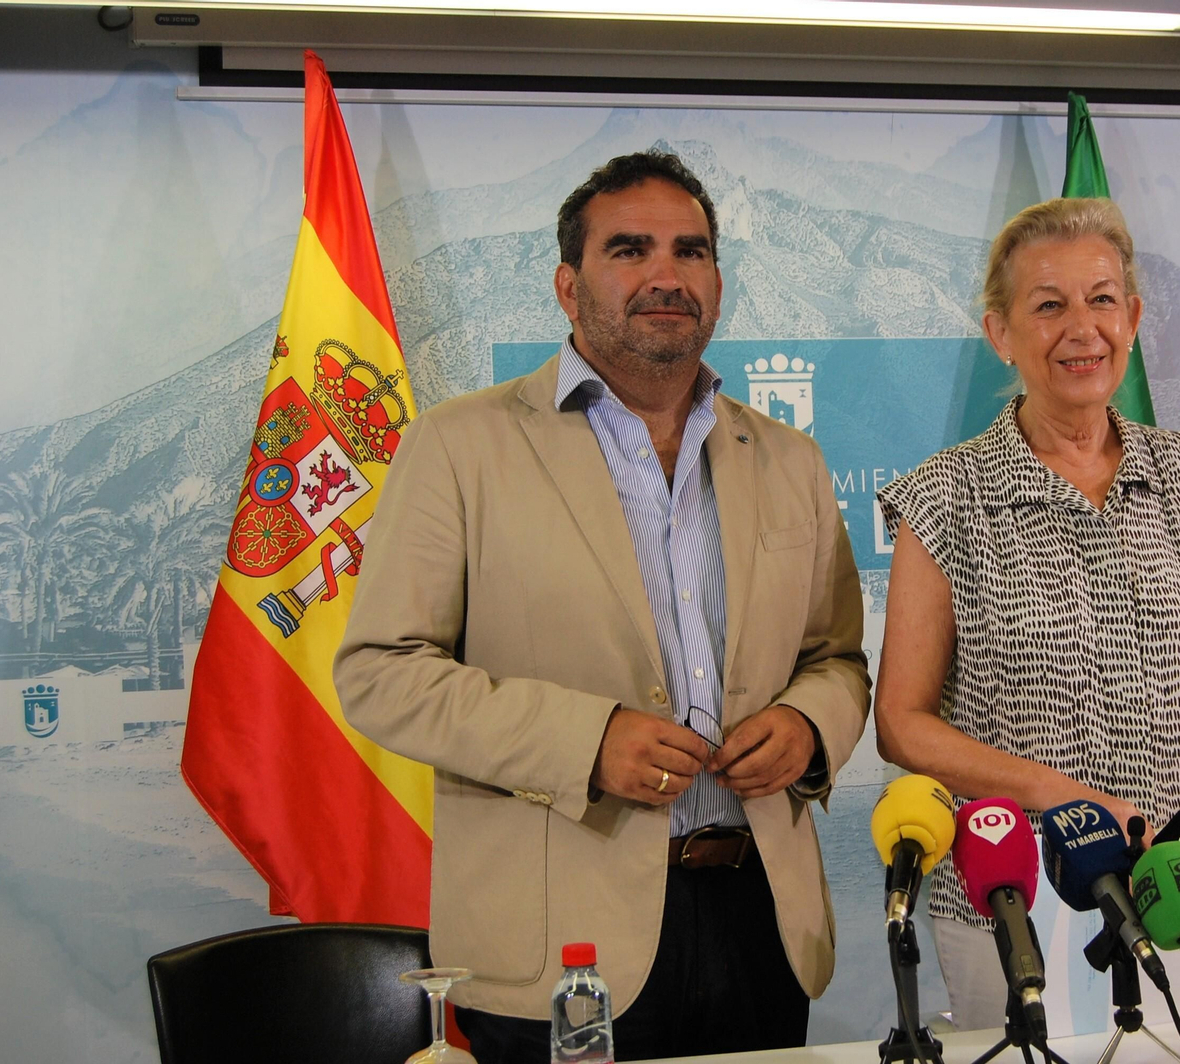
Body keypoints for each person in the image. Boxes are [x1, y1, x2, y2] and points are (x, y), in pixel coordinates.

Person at [335, 150, 870, 1063]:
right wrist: (584, 741)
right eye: (630, 249)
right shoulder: (460, 447)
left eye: (690, 251)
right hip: (558, 943)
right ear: (567, 284)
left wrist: (807, 724)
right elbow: (382, 674)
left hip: (760, 921)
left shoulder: (789, 459)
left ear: (716, 280)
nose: (666, 275)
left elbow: (838, 660)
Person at [872, 196, 1180, 1031]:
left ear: (1130, 318)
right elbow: (902, 724)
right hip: (1011, 903)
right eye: (1048, 305)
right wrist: (1060, 797)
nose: (1081, 328)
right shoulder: (944, 497)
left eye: (1101, 300)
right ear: (1001, 333)